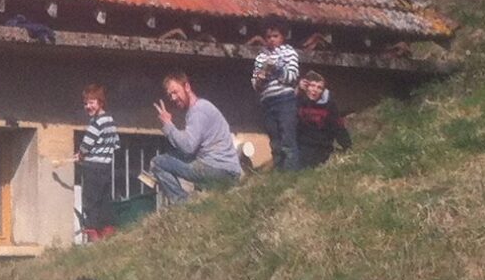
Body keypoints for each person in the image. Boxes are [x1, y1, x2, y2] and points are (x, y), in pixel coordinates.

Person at [150, 72, 242, 204]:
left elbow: (188, 147)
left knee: (158, 163)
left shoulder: (198, 111)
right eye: (170, 95)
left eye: (175, 92)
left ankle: (182, 204)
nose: (173, 98)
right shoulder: (201, 108)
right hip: (227, 170)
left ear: (187, 87)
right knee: (180, 158)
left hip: (218, 169)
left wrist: (168, 125)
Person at [251, 22, 302, 172]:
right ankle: (279, 172)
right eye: (268, 37)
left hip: (285, 100)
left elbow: (292, 77)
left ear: (283, 37)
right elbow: (255, 84)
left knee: (287, 137)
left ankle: (291, 172)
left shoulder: (289, 52)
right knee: (275, 140)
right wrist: (261, 78)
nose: (272, 39)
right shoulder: (261, 57)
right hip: (268, 101)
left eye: (275, 36)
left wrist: (277, 70)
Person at [75, 84, 120, 241]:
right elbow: (116, 143)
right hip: (106, 167)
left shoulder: (96, 123)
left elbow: (86, 145)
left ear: (100, 102)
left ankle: (93, 232)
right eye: (86, 103)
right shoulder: (111, 121)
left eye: (91, 102)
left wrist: (81, 155)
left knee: (91, 200)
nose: (88, 106)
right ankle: (108, 229)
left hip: (92, 167)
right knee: (104, 199)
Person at [294, 69, 352, 168]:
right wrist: (298, 90)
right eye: (312, 86)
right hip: (301, 144)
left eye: (319, 88)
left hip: (321, 146)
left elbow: (338, 126)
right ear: (306, 87)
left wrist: (347, 146)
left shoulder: (329, 105)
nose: (315, 90)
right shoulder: (299, 100)